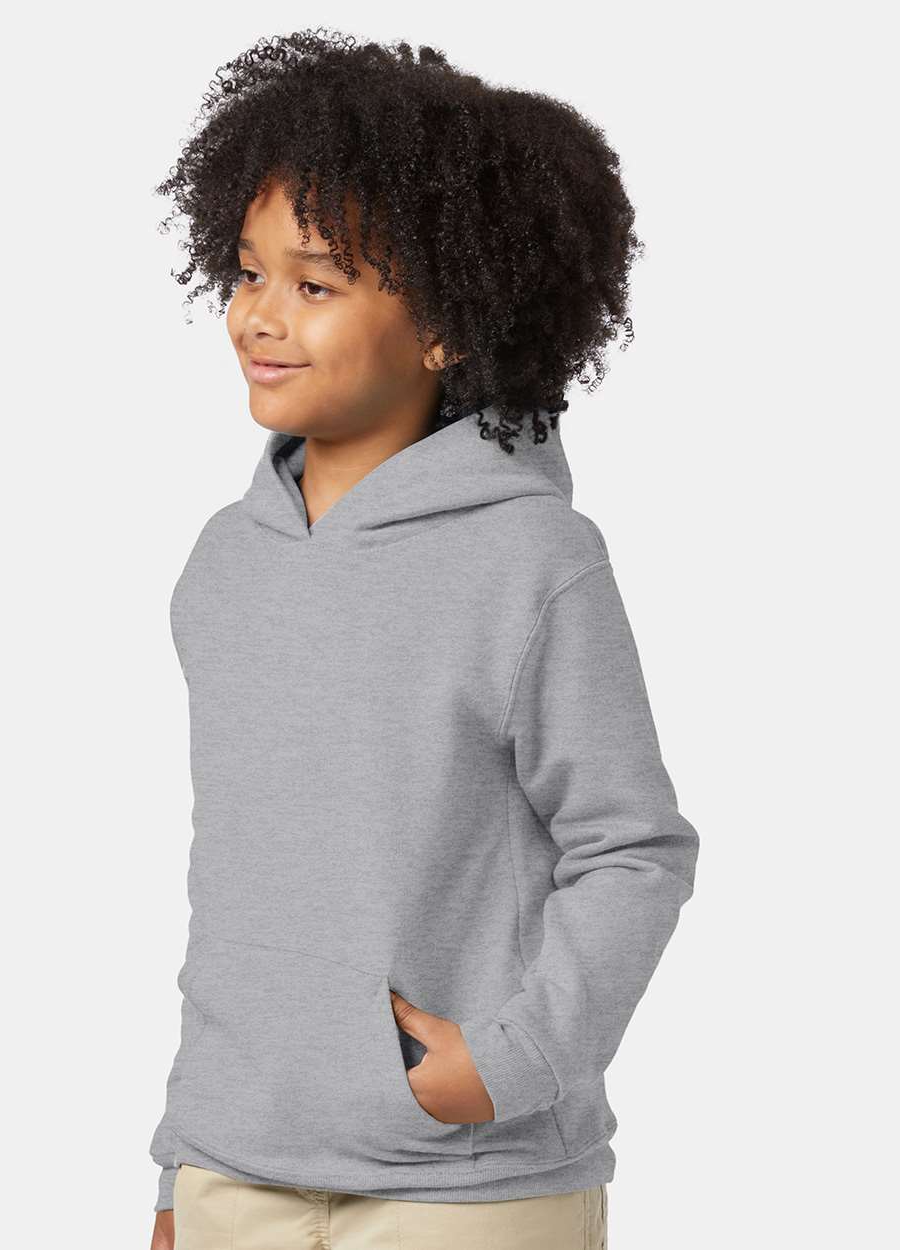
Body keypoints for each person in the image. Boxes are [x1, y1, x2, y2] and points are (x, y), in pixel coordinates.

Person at [148, 29, 699, 1250]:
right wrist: (180, 1162)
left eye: (316, 285)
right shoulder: (223, 564)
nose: (258, 315)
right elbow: (238, 882)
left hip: (465, 1184)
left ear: (447, 324)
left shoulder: (533, 561)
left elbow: (632, 846)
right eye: (248, 271)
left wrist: (512, 1058)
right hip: (235, 1165)